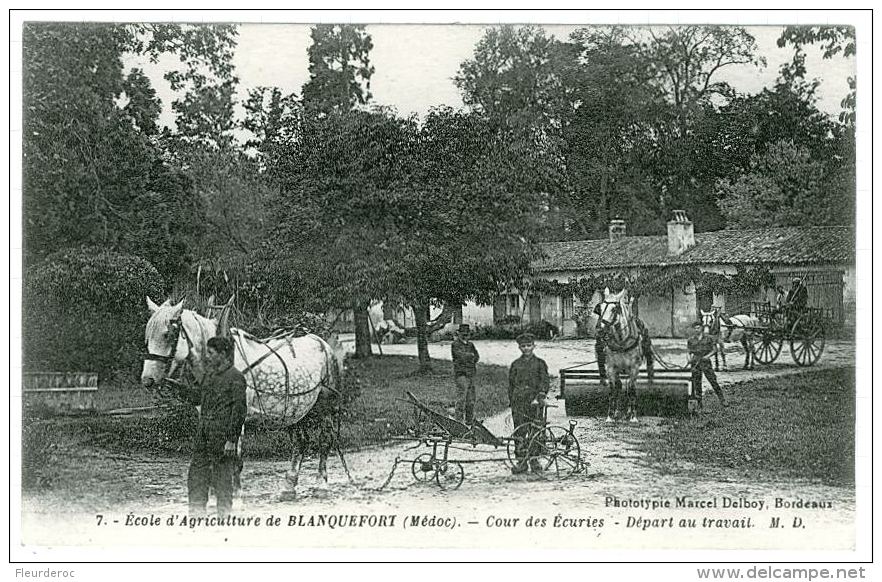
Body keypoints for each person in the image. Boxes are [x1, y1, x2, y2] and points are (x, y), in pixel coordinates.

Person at [176, 336, 247, 517]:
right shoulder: (210, 375)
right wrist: (176, 388)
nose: (207, 356)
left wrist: (232, 440)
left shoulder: (236, 377)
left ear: (223, 354)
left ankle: (224, 519)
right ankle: (196, 515)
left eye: (211, 353)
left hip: (222, 437)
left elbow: (239, 411)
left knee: (222, 480)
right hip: (203, 435)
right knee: (197, 476)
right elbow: (198, 398)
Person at [508, 333, 549, 474]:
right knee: (519, 431)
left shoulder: (540, 364)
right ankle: (521, 461)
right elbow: (511, 384)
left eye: (529, 346)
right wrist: (512, 401)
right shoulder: (515, 364)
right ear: (519, 347)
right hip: (519, 402)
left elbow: (544, 382)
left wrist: (541, 395)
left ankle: (535, 460)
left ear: (534, 346)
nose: (526, 349)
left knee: (535, 431)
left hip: (534, 402)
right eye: (523, 346)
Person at [687, 321, 727, 410]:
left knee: (712, 380)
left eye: (698, 328)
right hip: (695, 363)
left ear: (702, 328)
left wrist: (707, 356)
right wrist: (689, 359)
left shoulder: (708, 338)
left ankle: (722, 400)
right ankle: (700, 403)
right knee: (697, 382)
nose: (697, 330)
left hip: (705, 362)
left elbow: (714, 349)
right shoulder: (691, 340)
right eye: (695, 328)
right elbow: (688, 352)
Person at [451, 324, 480, 424]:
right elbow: (460, 356)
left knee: (471, 399)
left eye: (466, 334)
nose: (465, 336)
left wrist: (469, 357)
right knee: (461, 398)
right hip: (461, 374)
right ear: (458, 334)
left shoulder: (471, 345)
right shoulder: (455, 345)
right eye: (462, 334)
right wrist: (469, 357)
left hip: (471, 374)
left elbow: (476, 357)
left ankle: (469, 421)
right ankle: (458, 422)